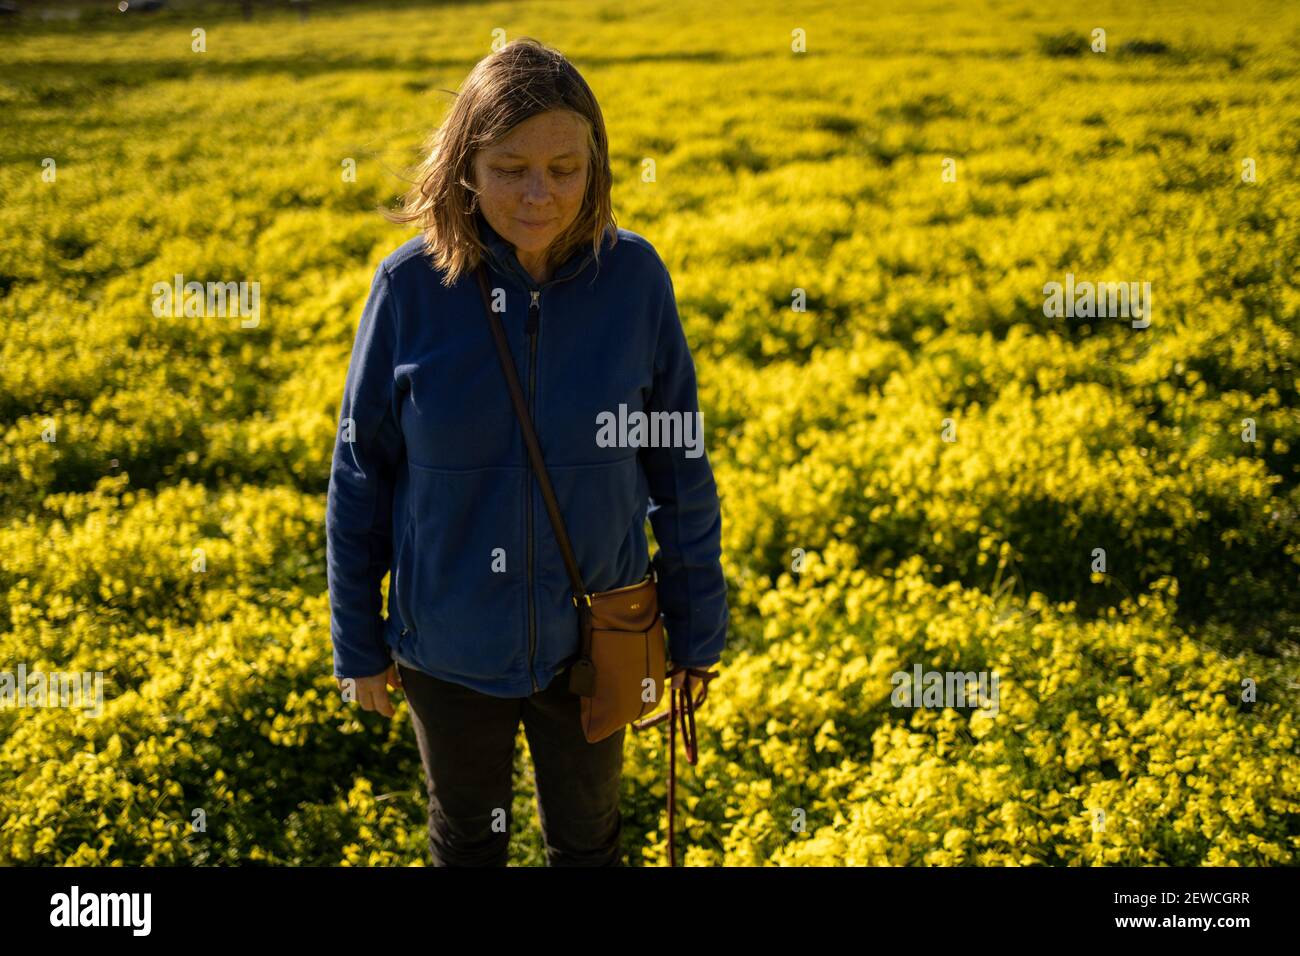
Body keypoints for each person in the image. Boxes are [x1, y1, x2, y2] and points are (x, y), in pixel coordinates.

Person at [325, 37, 728, 866]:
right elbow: (361, 474)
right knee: (465, 836)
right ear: (465, 165)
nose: (539, 194)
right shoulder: (409, 290)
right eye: (511, 168)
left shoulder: (636, 279)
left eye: (563, 167)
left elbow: (678, 465)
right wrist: (358, 644)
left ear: (596, 166)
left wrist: (698, 632)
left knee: (588, 841)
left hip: (596, 635)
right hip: (446, 642)